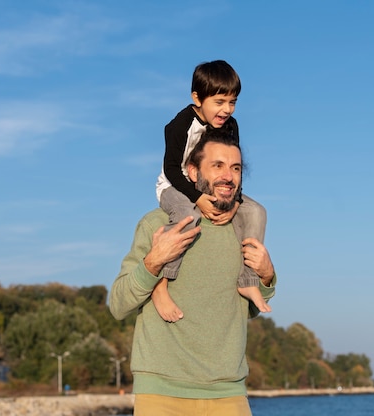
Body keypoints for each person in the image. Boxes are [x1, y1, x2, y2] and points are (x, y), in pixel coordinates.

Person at [109, 128, 277, 416]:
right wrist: (153, 262)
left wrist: (266, 278)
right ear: (192, 171)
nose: (228, 176)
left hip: (229, 393)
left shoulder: (243, 229)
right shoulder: (156, 223)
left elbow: (246, 309)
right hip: (161, 393)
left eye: (235, 168)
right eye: (217, 166)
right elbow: (118, 305)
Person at [153, 59, 271, 322]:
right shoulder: (179, 125)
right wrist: (198, 199)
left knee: (257, 212)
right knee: (188, 215)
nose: (227, 109)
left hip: (208, 185)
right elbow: (171, 169)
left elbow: (233, 166)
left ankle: (248, 280)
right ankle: (161, 284)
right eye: (219, 102)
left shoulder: (231, 126)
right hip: (174, 186)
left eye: (232, 102)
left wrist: (237, 202)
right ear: (197, 97)